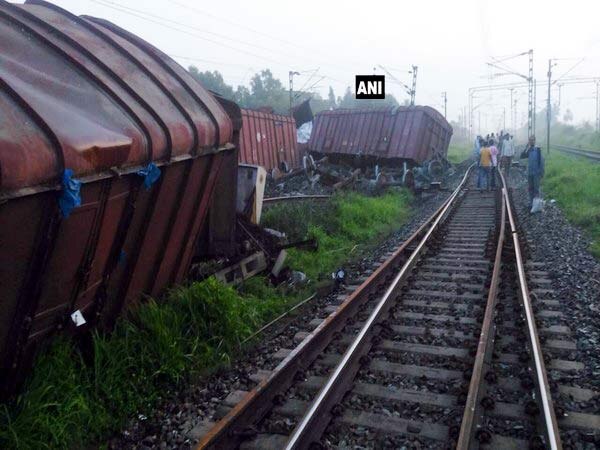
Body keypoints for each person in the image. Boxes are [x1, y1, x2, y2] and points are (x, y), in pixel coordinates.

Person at [520, 135, 545, 208]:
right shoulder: (528, 150)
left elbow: (542, 162)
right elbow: (522, 156)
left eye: (532, 140)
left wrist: (542, 172)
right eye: (530, 140)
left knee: (536, 189)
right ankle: (531, 203)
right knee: (530, 188)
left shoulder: (538, 150)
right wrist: (526, 147)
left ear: (535, 141)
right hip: (530, 173)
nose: (531, 141)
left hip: (536, 173)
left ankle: (536, 205)